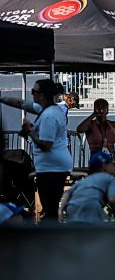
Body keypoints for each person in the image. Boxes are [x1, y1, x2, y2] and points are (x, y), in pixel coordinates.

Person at [0, 79, 73, 221]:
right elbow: (21, 103)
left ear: (43, 95)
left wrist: (30, 130)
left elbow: (46, 145)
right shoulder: (46, 109)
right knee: (49, 207)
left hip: (53, 167)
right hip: (51, 166)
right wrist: (2, 99)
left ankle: (50, 237)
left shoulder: (49, 115)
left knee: (49, 208)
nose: (32, 94)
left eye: (34, 92)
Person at [59, 151, 115, 224]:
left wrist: (60, 210)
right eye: (112, 164)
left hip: (72, 206)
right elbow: (112, 200)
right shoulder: (110, 178)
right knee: (95, 233)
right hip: (91, 205)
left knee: (76, 232)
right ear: (104, 167)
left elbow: (67, 193)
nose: (114, 166)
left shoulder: (86, 179)